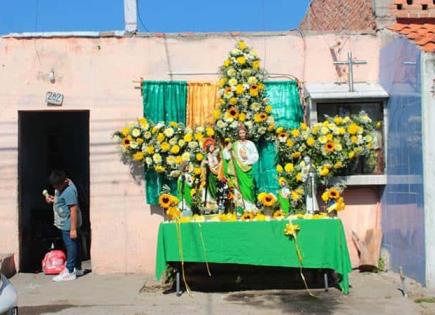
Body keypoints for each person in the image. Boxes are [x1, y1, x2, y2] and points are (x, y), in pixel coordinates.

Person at [44, 170, 83, 281]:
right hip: (65, 223)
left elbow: (73, 210)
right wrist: (53, 200)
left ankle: (69, 271)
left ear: (65, 181)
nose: (56, 188)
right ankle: (77, 267)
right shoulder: (62, 189)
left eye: (58, 185)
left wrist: (73, 228)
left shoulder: (69, 191)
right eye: (54, 186)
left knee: (71, 246)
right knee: (74, 245)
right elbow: (63, 202)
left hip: (69, 224)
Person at [223, 124, 259, 213]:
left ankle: (251, 206)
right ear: (238, 134)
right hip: (238, 170)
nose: (242, 134)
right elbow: (226, 156)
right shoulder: (235, 144)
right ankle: (242, 208)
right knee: (239, 188)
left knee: (250, 188)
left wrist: (247, 157)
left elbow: (256, 155)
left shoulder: (251, 144)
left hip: (248, 169)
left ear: (246, 133)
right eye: (240, 133)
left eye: (243, 132)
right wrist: (227, 149)